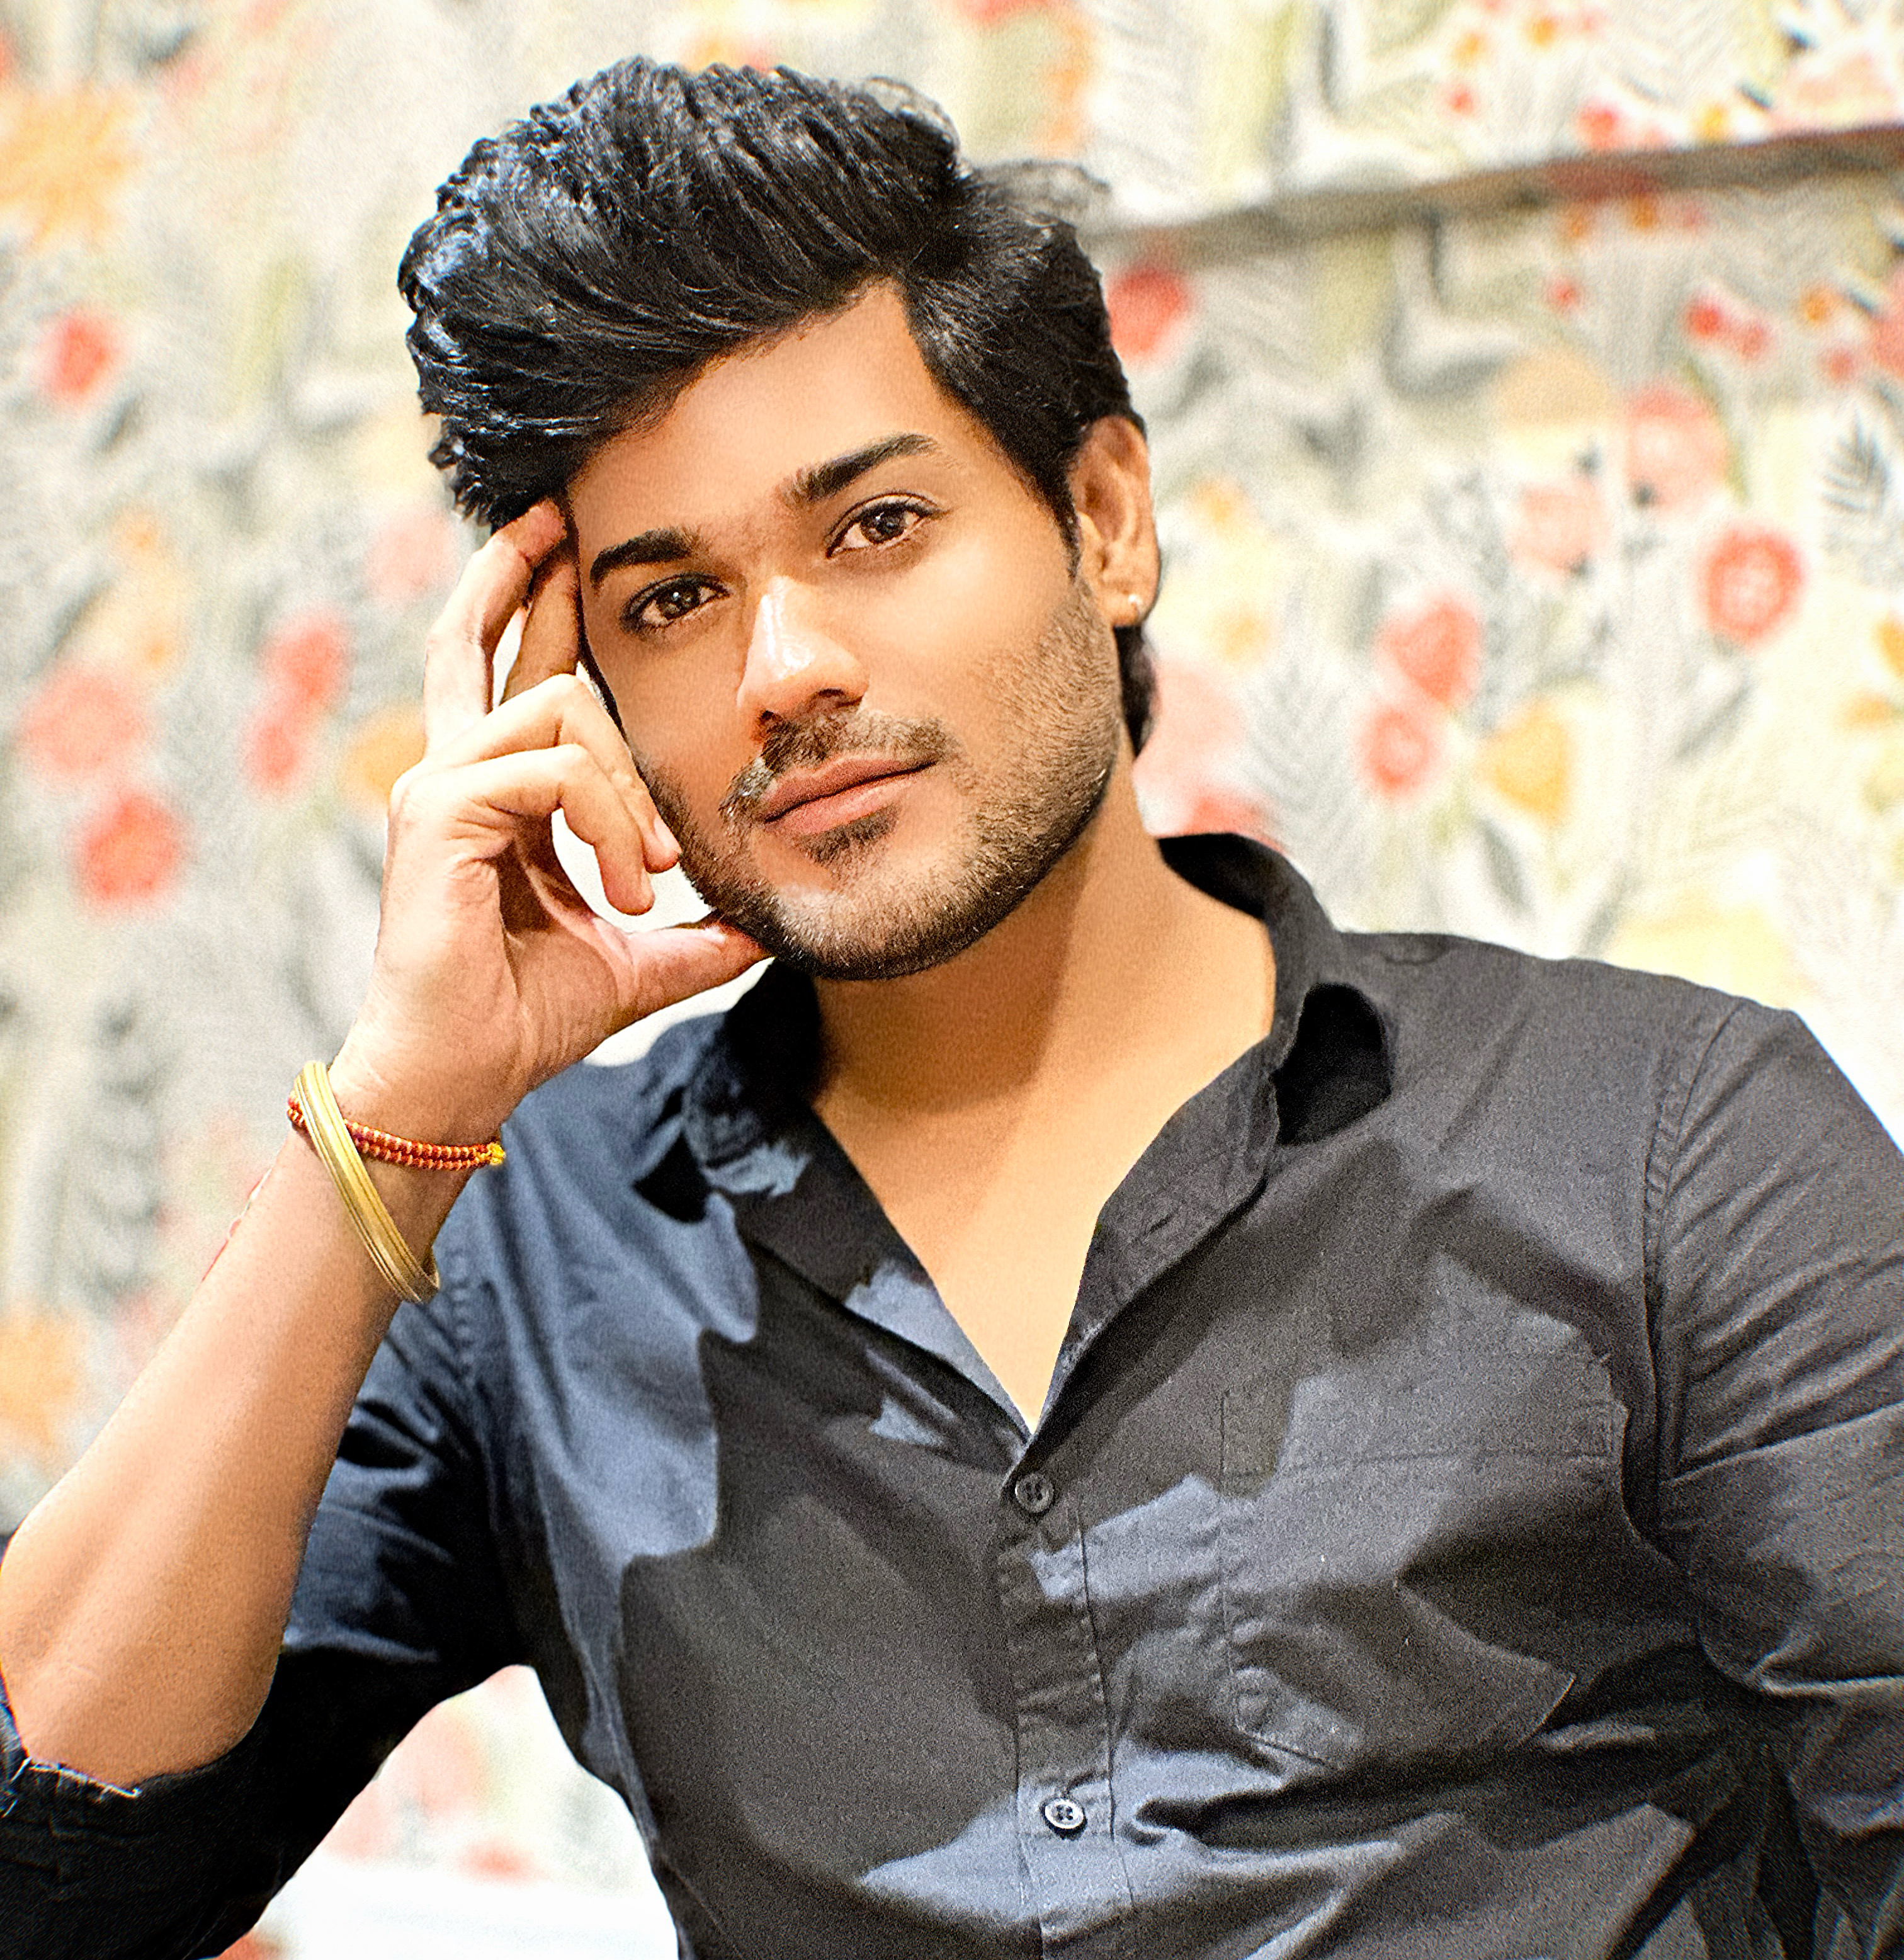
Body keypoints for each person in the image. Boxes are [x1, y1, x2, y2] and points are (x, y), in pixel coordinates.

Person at [1, 56, 1900, 1960]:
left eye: (876, 527)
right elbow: (51, 1869)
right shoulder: (545, 1258)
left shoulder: (1665, 1145)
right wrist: (398, 1106)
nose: (785, 669)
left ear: (1105, 516)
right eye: (670, 602)